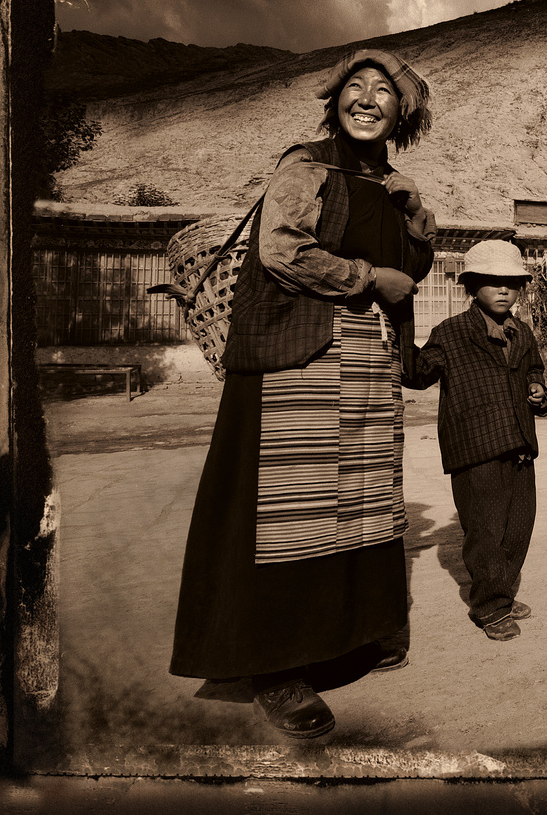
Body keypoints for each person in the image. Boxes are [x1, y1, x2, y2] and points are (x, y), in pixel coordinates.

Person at [170, 49, 438, 738]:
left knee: (358, 495)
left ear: (400, 113)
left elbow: (411, 265)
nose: (368, 98)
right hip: (298, 356)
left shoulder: (393, 183)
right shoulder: (306, 166)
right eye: (356, 86)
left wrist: (414, 219)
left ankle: (356, 631)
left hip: (365, 362)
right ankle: (273, 665)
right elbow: (280, 253)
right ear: (336, 101)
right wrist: (368, 278)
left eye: (384, 91)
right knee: (290, 505)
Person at [412, 239, 547, 642]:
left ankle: (502, 593)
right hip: (475, 447)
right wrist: (397, 327)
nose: (503, 290)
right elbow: (420, 373)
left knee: (518, 527)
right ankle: (490, 606)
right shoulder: (452, 332)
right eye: (492, 283)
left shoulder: (521, 332)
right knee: (486, 530)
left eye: (510, 283)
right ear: (472, 286)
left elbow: (534, 370)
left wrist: (537, 389)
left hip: (519, 444)